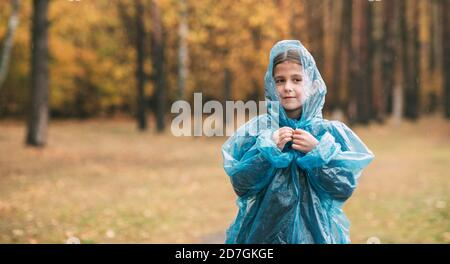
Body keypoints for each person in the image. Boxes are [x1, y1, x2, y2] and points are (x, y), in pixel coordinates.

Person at [221, 40, 374, 244]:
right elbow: (241, 185)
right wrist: (266, 153)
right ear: (270, 85)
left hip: (317, 234)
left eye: (296, 79)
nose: (288, 87)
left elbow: (342, 188)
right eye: (280, 80)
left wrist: (318, 153)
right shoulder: (259, 132)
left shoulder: (326, 134)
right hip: (264, 236)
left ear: (311, 84)